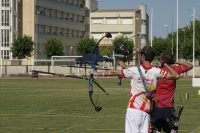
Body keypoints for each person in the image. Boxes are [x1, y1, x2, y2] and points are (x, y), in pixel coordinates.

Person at [89, 46, 180, 133]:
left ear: (143, 56)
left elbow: (112, 72)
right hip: (147, 112)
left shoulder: (134, 70)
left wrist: (96, 73)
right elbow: (176, 75)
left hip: (134, 111)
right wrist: (166, 65)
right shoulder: (156, 71)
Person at [154, 52, 193, 133]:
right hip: (169, 107)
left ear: (162, 60)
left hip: (157, 106)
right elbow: (190, 65)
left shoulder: (156, 70)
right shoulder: (175, 70)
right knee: (170, 130)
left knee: (156, 130)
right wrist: (174, 61)